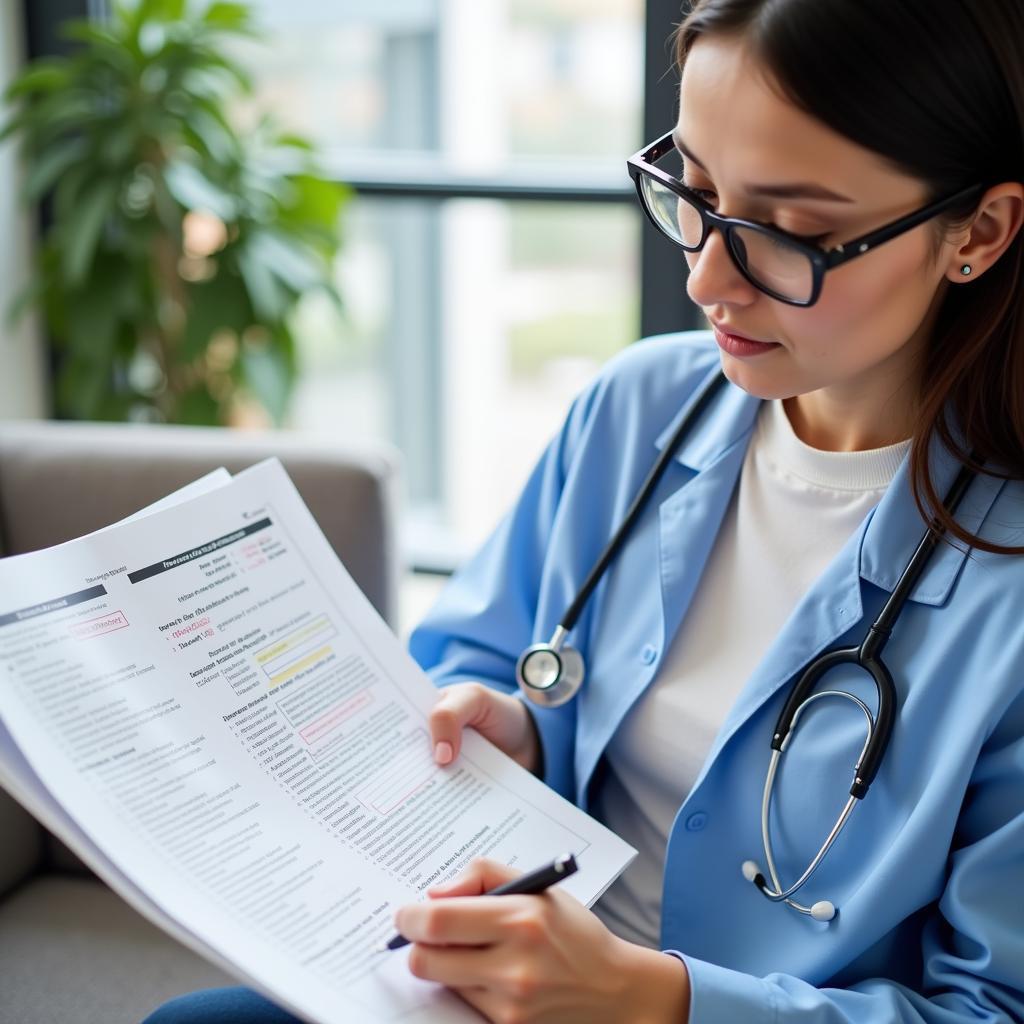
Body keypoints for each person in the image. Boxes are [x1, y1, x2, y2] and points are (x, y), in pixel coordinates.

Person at [145, 0, 1024, 1021]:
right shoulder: (640, 406)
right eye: (692, 192)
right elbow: (475, 651)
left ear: (980, 230)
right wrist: (511, 727)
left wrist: (646, 998)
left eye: (790, 234)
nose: (704, 278)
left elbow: (986, 1009)